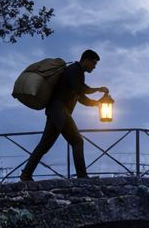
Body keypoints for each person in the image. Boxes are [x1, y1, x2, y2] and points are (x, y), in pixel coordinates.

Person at [20, 49, 109, 180]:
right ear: (86, 60)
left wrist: (97, 104)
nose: (94, 67)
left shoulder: (77, 73)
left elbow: (81, 98)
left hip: (57, 112)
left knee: (46, 145)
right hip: (59, 111)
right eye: (94, 63)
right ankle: (82, 176)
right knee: (76, 141)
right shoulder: (74, 70)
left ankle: (26, 174)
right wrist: (98, 89)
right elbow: (81, 89)